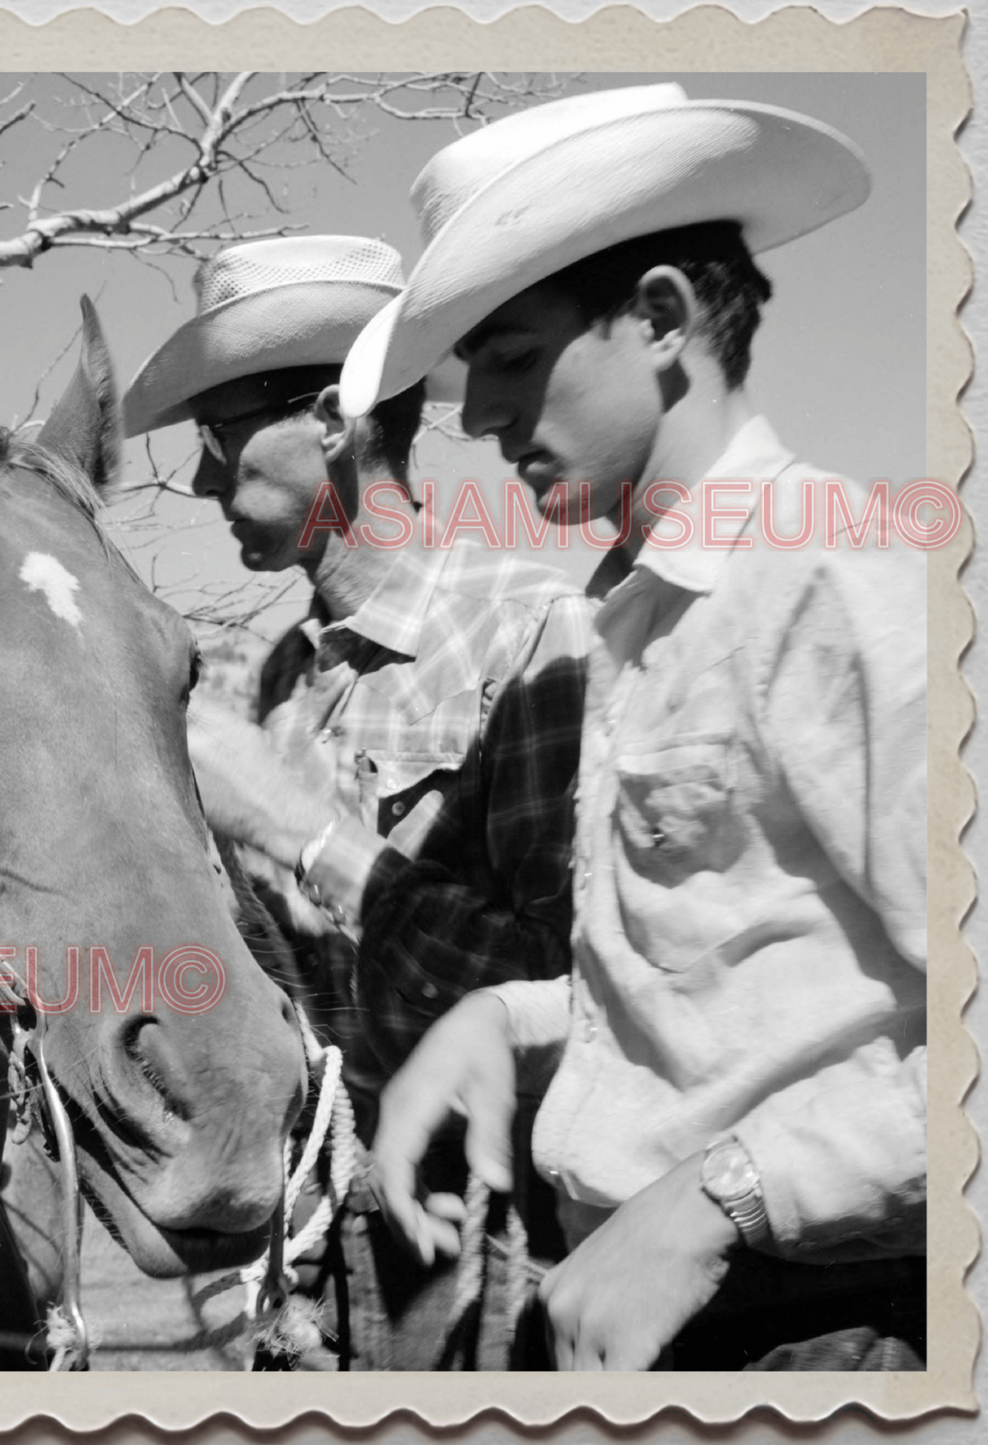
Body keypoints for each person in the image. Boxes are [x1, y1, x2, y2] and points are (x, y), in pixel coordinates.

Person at [345, 83, 927, 1370]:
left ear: (659, 318)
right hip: (637, 1313)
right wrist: (510, 1018)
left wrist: (723, 1195)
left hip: (824, 1327)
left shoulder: (837, 576)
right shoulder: (632, 619)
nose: (478, 417)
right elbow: (742, 987)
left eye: (507, 356)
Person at [122, 235, 595, 1368]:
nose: (197, 479)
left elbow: (576, 997)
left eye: (218, 437)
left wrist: (298, 830)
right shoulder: (278, 677)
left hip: (497, 1239)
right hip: (323, 1238)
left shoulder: (529, 632)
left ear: (332, 419)